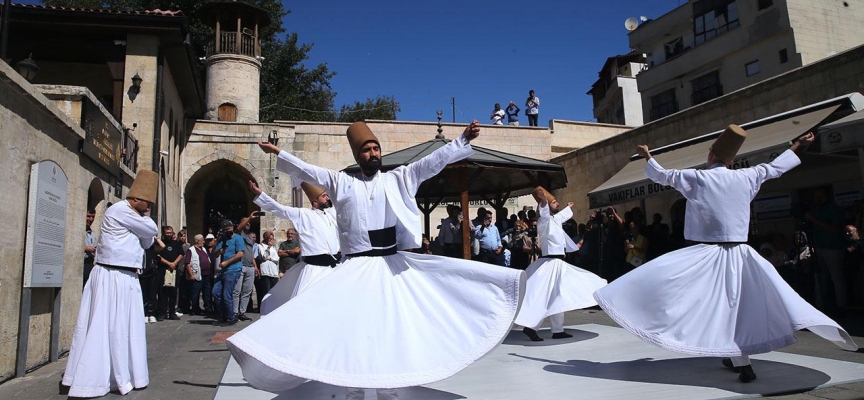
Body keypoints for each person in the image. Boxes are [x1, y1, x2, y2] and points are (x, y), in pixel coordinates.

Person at [226, 121, 524, 395]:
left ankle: (388, 389)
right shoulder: (342, 183)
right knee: (354, 332)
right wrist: (280, 151)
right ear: (358, 155)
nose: (373, 153)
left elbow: (430, 163)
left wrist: (460, 140)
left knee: (389, 329)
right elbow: (308, 170)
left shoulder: (398, 178)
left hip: (389, 267)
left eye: (376, 148)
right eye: (367, 149)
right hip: (355, 268)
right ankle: (353, 389)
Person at [594, 127, 857, 383]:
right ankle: (739, 360)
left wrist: (647, 155)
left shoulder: (698, 178)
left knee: (695, 301)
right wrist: (800, 146)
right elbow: (775, 167)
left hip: (707, 254)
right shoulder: (748, 176)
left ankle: (729, 355)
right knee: (735, 309)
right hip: (741, 254)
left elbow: (663, 176)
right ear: (731, 160)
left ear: (710, 156)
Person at [62, 170, 159, 397]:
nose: (148, 209)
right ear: (135, 199)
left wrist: (144, 227)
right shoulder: (120, 210)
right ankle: (93, 379)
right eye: (146, 204)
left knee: (126, 328)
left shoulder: (134, 216)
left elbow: (147, 242)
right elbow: (152, 231)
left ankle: (123, 373)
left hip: (126, 277)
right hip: (111, 275)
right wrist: (145, 225)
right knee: (105, 326)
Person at [516, 187, 607, 341]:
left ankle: (557, 330)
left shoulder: (554, 220)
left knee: (558, 295)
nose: (557, 203)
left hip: (558, 262)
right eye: (554, 202)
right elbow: (544, 212)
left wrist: (568, 208)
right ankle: (531, 327)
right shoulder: (543, 220)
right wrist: (543, 199)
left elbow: (560, 217)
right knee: (545, 296)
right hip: (550, 262)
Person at [251, 181, 340, 315]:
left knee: (334, 304)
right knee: (307, 306)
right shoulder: (303, 214)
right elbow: (279, 209)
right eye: (324, 196)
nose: (328, 198)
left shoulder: (332, 214)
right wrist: (261, 194)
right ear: (315, 201)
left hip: (335, 268)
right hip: (314, 269)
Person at [213, 219, 246, 325]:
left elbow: (240, 254)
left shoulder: (238, 238)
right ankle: (223, 314)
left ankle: (231, 317)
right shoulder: (222, 239)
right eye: (226, 229)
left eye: (229, 228)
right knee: (216, 292)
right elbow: (215, 254)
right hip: (223, 271)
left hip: (233, 269)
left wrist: (226, 262)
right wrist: (218, 242)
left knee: (227, 294)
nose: (228, 231)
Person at [156, 226, 183, 321]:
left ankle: (172, 312)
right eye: (167, 233)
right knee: (162, 292)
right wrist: (168, 263)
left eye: (170, 233)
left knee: (173, 293)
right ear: (164, 233)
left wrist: (174, 263)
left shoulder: (177, 243)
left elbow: (181, 254)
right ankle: (162, 313)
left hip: (173, 271)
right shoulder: (160, 244)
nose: (169, 234)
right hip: (162, 270)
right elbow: (157, 256)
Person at [185, 234, 212, 316]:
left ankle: (208, 309)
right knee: (195, 293)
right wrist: (191, 274)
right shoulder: (191, 250)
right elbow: (187, 263)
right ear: (198, 241)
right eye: (202, 240)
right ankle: (195, 309)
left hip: (206, 275)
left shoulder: (203, 249)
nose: (204, 241)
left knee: (207, 293)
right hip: (197, 275)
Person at [83, 208, 97, 287]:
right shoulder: (78, 230)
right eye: (88, 216)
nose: (91, 219)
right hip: (82, 263)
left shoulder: (92, 233)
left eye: (93, 217)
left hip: (90, 263)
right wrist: (86, 248)